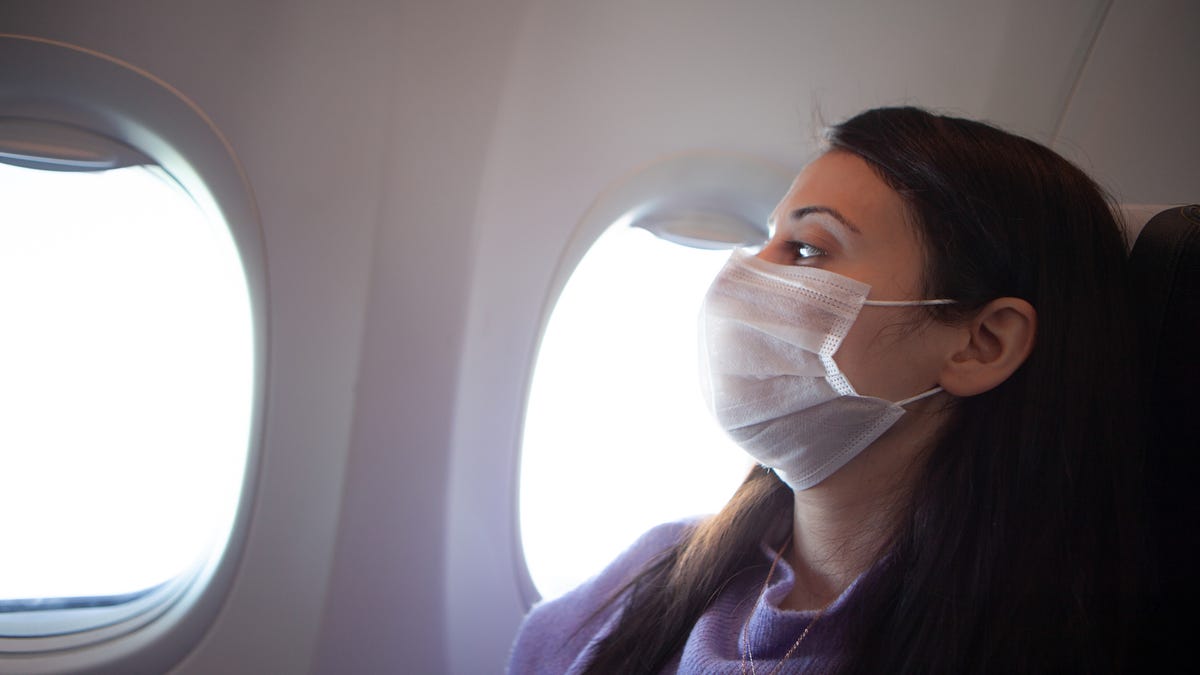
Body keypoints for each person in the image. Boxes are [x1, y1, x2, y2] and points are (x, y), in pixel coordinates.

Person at [508, 106, 1143, 674]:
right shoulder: (663, 567)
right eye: (764, 238)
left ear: (983, 344)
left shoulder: (1041, 647)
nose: (741, 276)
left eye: (808, 249)